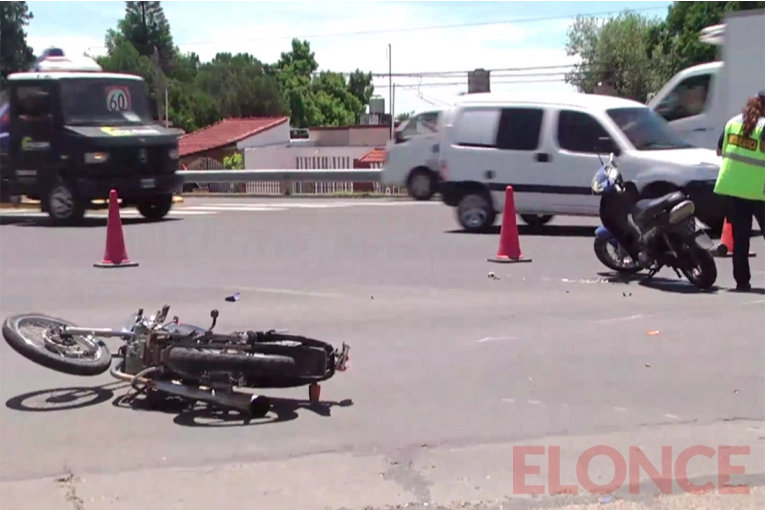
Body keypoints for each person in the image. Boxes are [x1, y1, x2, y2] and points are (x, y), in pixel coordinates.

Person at [714, 91, 765, 291]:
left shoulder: (732, 123)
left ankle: (742, 282)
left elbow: (719, 151)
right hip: (757, 189)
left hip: (733, 187)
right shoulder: (764, 127)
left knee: (740, 238)